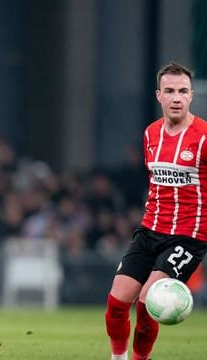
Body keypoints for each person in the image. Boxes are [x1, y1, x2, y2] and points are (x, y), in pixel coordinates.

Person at [105, 62, 207, 360]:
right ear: (158, 95)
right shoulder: (150, 135)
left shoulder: (203, 137)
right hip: (150, 229)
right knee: (116, 302)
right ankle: (118, 358)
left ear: (190, 96)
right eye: (170, 91)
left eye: (183, 91)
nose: (177, 98)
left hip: (189, 236)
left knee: (149, 299)